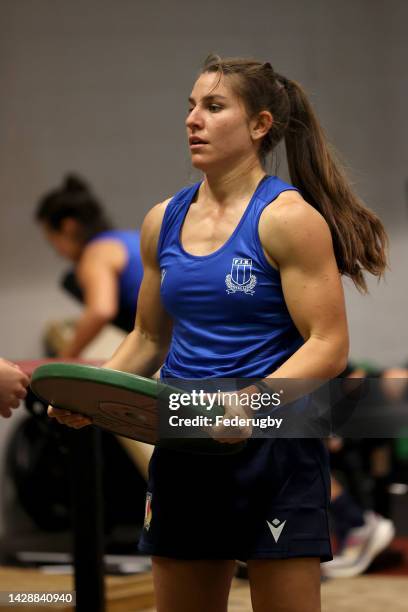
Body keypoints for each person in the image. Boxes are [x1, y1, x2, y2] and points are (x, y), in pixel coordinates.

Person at [49, 55, 388, 612]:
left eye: (212, 107)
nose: (192, 120)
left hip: (274, 450)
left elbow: (328, 345)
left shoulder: (287, 219)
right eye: (190, 107)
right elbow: (148, 338)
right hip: (184, 444)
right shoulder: (164, 220)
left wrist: (251, 405)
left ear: (259, 125)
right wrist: (94, 392)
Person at [35, 175, 143, 357]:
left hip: (184, 346)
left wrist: (64, 358)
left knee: (70, 281)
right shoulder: (129, 239)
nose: (58, 252)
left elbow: (101, 310)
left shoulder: (96, 253)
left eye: (53, 241)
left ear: (68, 227)